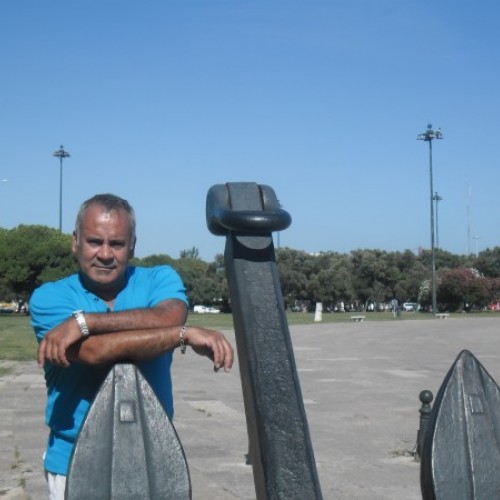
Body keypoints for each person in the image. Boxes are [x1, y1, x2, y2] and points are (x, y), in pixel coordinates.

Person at [30, 193, 234, 499]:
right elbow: (95, 352)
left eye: (117, 244)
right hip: (73, 460)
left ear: (133, 246)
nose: (105, 253)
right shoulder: (49, 297)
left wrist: (85, 322)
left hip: (154, 455)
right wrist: (182, 335)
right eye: (94, 241)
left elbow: (170, 316)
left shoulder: (159, 278)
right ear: (75, 242)